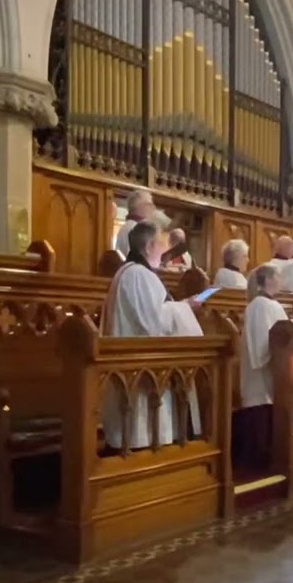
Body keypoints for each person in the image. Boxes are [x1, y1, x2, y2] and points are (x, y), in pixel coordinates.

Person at [102, 221, 204, 451]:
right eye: (161, 244)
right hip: (140, 368)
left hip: (137, 365)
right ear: (149, 246)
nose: (165, 250)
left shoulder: (132, 272)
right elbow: (154, 323)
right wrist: (186, 306)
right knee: (142, 429)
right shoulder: (138, 275)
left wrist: (179, 307)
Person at [235, 264, 291, 471]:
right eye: (278, 277)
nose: (281, 282)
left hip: (273, 369)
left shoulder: (269, 304)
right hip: (262, 371)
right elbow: (261, 340)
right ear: (267, 281)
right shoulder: (260, 305)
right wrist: (274, 358)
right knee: (259, 415)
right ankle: (256, 461)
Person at [113, 189, 156, 256]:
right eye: (149, 204)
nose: (153, 207)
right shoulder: (134, 228)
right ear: (139, 206)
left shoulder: (131, 226)